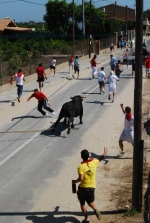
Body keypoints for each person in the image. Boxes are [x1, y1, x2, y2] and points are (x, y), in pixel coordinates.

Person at [72, 147, 108, 223]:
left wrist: (75, 181)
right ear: (88, 156)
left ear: (81, 157)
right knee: (90, 201)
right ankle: (95, 209)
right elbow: (101, 158)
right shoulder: (93, 162)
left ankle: (86, 219)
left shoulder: (81, 167)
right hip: (92, 187)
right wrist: (105, 152)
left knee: (82, 203)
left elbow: (81, 178)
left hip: (83, 188)